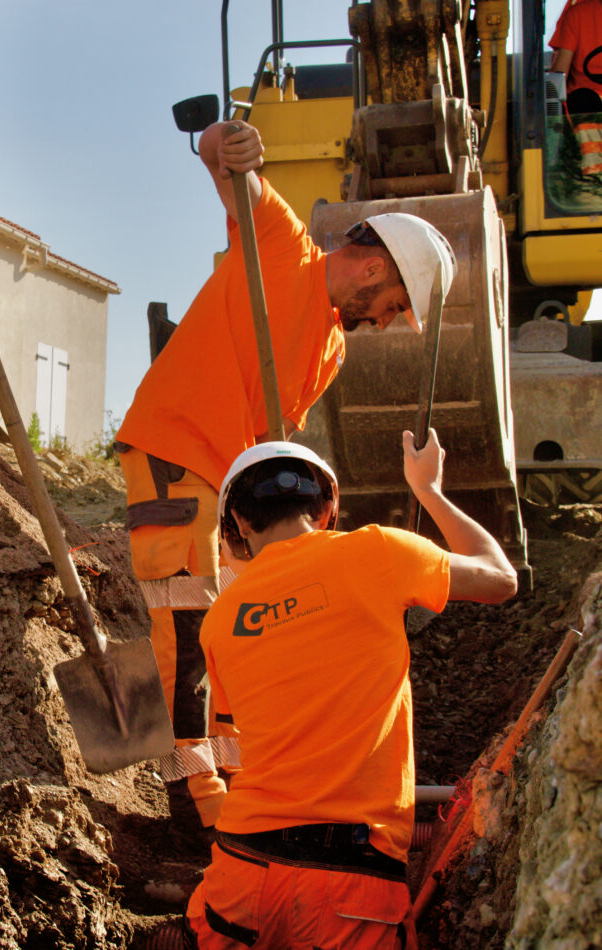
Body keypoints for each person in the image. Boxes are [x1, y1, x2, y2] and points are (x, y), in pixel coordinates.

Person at [115, 119, 457, 837]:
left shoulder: (330, 345)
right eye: (394, 305)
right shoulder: (280, 244)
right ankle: (189, 793)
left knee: (248, 629)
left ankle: (247, 781)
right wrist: (231, 145)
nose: (388, 322)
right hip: (178, 449)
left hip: (235, 488)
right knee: (185, 621)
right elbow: (217, 153)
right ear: (372, 267)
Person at [146, 431, 517, 949]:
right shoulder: (380, 550)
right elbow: (501, 579)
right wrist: (429, 490)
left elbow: (248, 735)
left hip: (240, 875)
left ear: (236, 528)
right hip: (351, 880)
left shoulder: (222, 618)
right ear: (326, 510)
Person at [550, 0, 602, 176]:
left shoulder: (577, 14)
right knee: (584, 100)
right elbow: (558, 75)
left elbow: (559, 72)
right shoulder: (578, 15)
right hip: (587, 105)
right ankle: (595, 171)